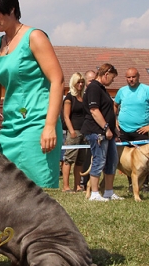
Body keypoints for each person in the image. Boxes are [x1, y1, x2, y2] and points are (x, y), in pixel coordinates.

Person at [0, 0, 64, 188]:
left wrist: (50, 126)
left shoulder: (35, 37)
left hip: (38, 125)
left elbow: (57, 80)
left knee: (39, 193)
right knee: (8, 191)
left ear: (11, 9)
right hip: (10, 128)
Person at [80, 63, 122, 201]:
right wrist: (106, 128)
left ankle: (109, 192)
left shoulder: (102, 89)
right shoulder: (93, 88)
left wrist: (113, 128)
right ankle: (95, 193)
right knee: (99, 160)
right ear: (106, 74)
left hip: (108, 132)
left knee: (112, 161)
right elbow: (94, 110)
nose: (112, 81)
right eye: (112, 77)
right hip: (97, 131)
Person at [114, 67, 149, 191]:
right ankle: (131, 184)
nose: (131, 79)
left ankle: (144, 184)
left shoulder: (146, 90)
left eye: (133, 77)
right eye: (128, 77)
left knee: (144, 160)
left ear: (138, 76)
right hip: (124, 130)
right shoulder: (122, 91)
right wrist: (115, 119)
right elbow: (115, 104)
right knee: (126, 160)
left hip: (142, 130)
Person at [62, 72, 87, 192]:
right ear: (74, 83)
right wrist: (71, 131)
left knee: (80, 160)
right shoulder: (69, 97)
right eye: (78, 82)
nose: (81, 84)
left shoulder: (84, 97)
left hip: (84, 133)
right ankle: (66, 186)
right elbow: (66, 116)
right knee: (69, 159)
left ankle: (77, 185)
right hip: (74, 132)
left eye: (82, 82)